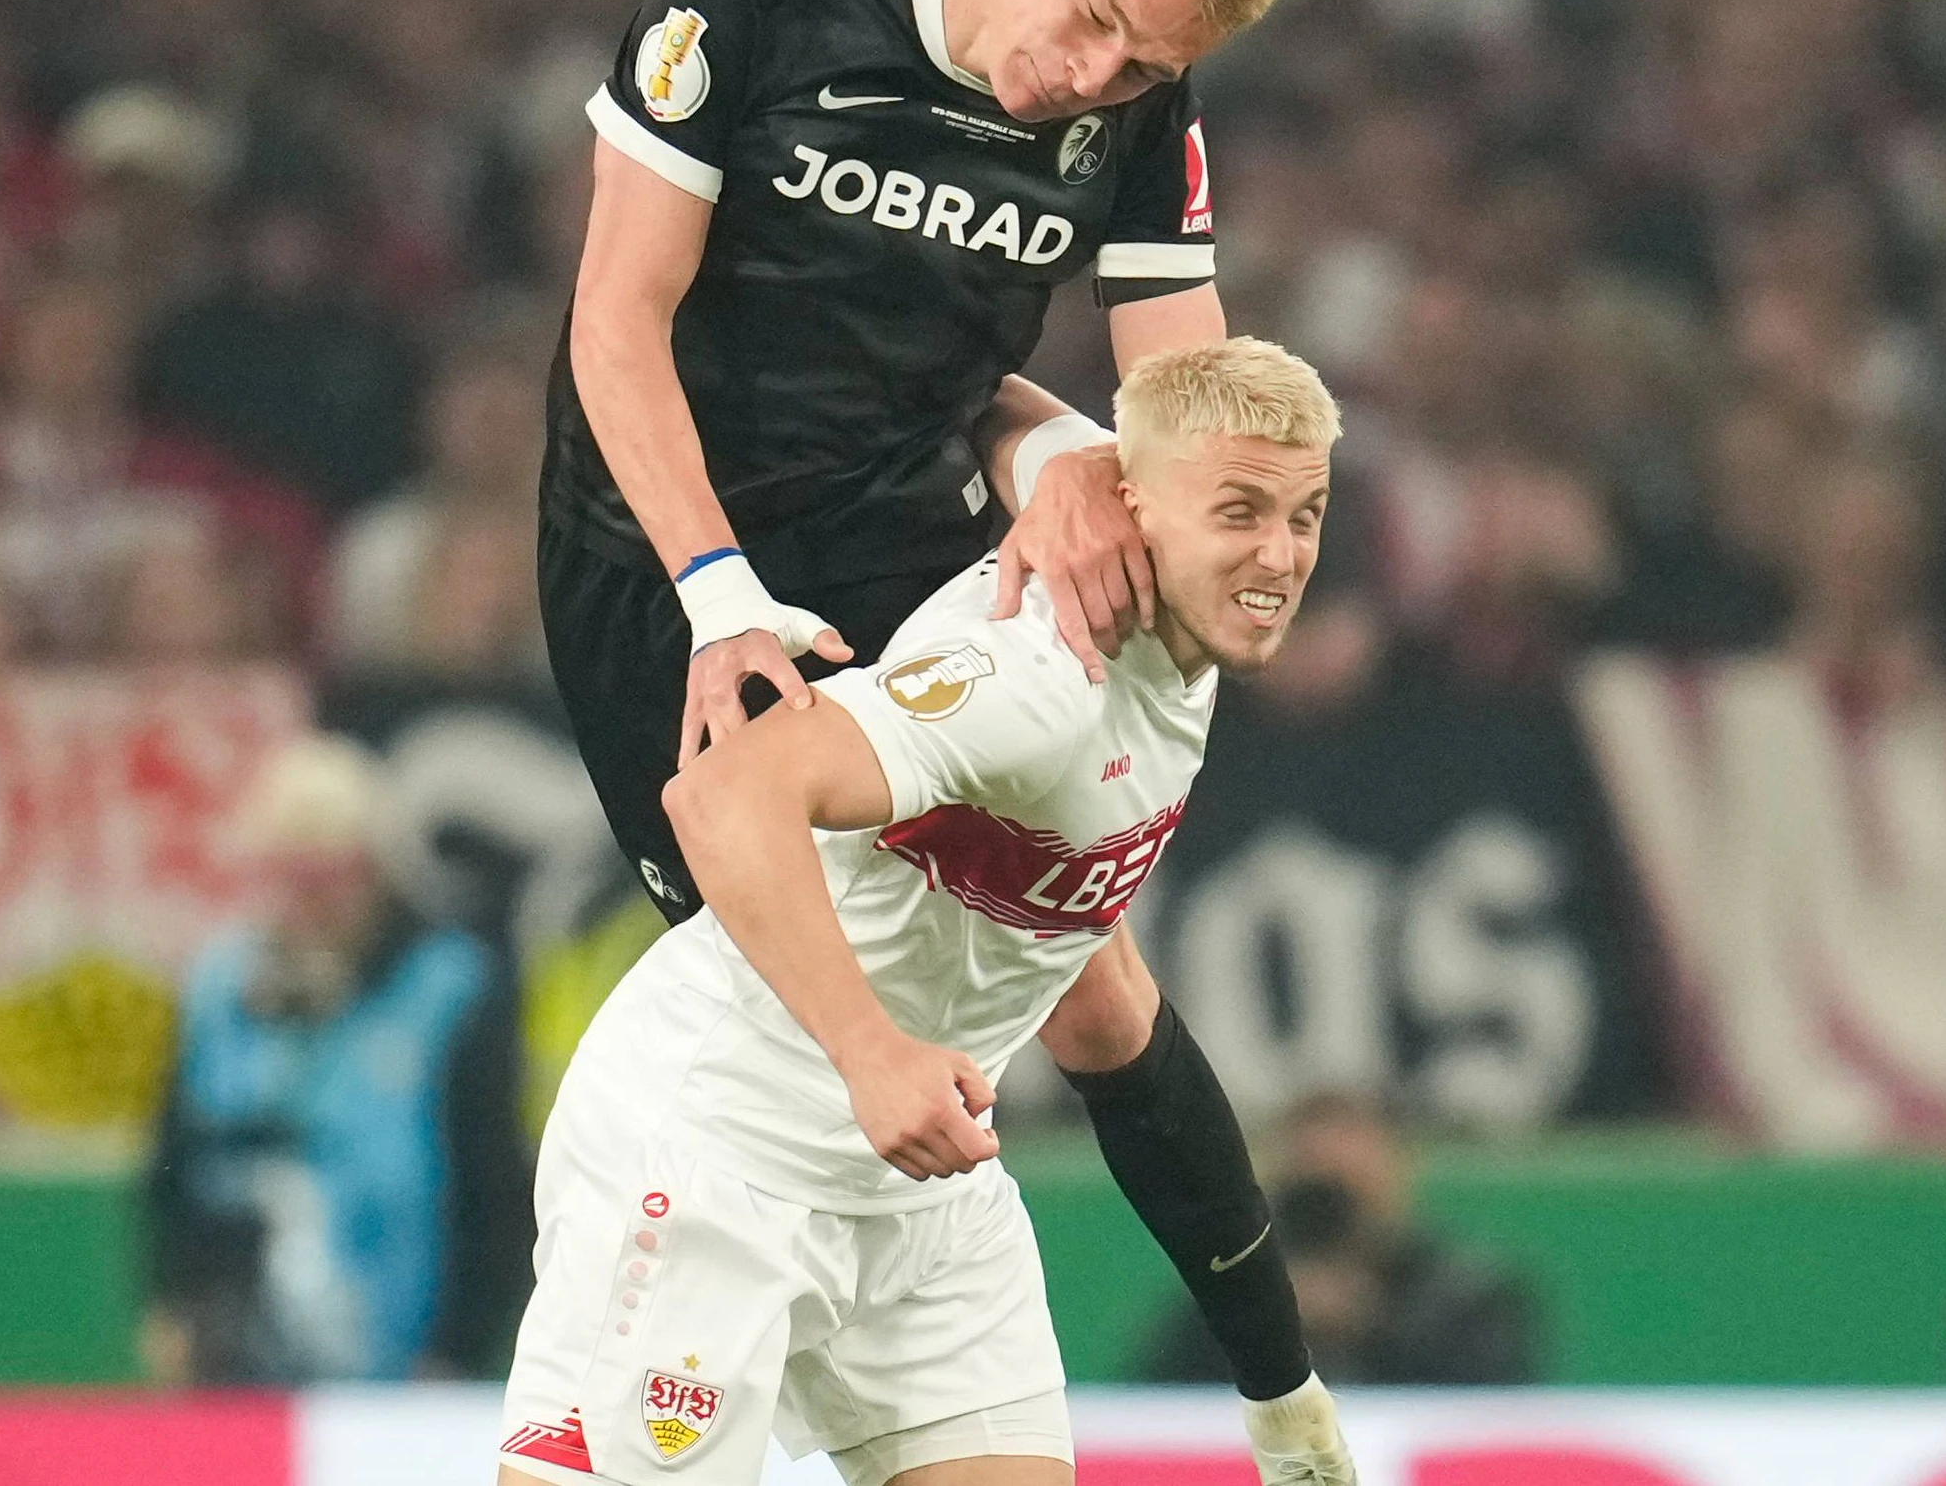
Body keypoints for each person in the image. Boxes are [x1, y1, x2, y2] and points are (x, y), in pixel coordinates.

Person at [545, 0, 1323, 1413]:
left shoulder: (1136, 98)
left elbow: (1186, 428)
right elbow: (615, 318)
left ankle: (1281, 1396)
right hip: (661, 552)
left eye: (1141, 64)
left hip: (902, 534)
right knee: (757, 982)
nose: (1090, 78)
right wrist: (716, 597)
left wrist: (1070, 466)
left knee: (1084, 974)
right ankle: (638, 1375)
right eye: (1092, 19)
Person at [499, 341, 1354, 1486]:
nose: (1279, 556)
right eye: (1240, 512)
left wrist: (1279, 1383)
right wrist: (871, 1056)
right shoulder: (1036, 674)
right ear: (1132, 508)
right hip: (718, 1149)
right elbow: (721, 794)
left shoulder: (1177, 671)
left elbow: (1111, 1022)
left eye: (1305, 517)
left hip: (920, 1204)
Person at [143, 734, 529, 1385]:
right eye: (289, 880)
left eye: (330, 880)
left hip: (401, 1375)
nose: (307, 907)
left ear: (375, 874)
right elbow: (172, 1169)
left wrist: (456, 1356)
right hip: (236, 1371)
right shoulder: (219, 989)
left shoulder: (446, 994)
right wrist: (168, 1303)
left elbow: (496, 1196)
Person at [1138, 1092, 1540, 1387]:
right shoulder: (1227, 1294)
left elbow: (1487, 1411)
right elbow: (1173, 1406)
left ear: (1395, 1171)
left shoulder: (1464, 1298)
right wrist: (1270, 1324)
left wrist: (1372, 1327)